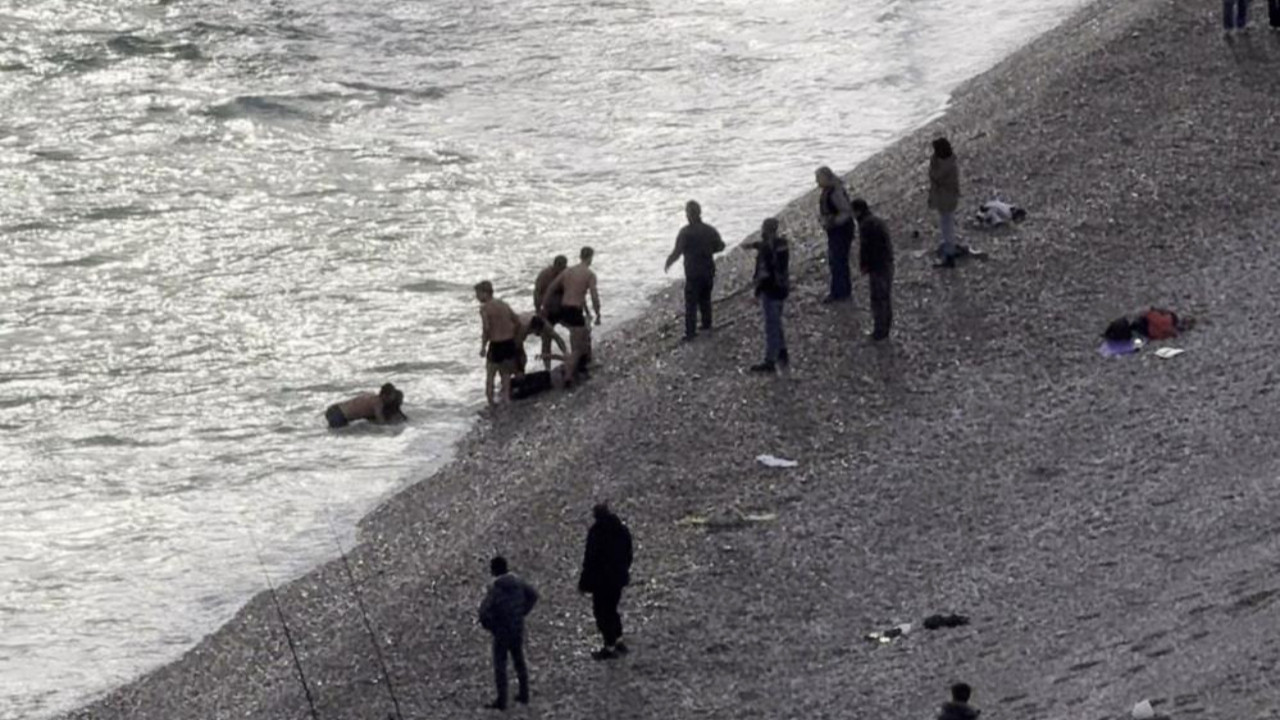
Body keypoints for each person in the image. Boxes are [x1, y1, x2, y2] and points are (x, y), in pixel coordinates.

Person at [477, 556, 539, 711]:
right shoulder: (518, 582)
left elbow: (484, 612)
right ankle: (524, 693)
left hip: (502, 631)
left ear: (494, 570)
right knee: (519, 660)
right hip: (517, 627)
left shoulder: (495, 588)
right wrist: (522, 611)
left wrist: (492, 627)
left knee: (500, 664)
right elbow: (533, 595)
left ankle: (502, 700)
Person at [578, 503, 633, 660]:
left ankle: (609, 646)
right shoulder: (622, 530)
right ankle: (618, 640)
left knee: (601, 612)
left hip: (601, 582)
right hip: (618, 579)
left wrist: (583, 583)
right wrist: (623, 570)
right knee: (612, 609)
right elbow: (629, 554)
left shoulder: (596, 533)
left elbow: (590, 560)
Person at [664, 200, 725, 340]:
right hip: (708, 269)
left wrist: (669, 262)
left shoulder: (685, 232)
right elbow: (721, 246)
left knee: (691, 303)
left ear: (688, 215)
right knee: (705, 298)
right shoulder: (709, 230)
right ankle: (706, 324)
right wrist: (709, 250)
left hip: (693, 272)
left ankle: (690, 332)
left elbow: (677, 251)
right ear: (699, 213)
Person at [544, 247, 601, 374]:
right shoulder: (589, 274)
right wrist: (598, 313)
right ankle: (571, 373)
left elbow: (551, 288)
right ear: (590, 258)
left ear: (580, 256)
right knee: (578, 344)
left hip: (564, 309)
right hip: (575, 310)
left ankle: (583, 363)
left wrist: (544, 306)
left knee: (582, 334)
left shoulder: (568, 271)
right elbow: (594, 295)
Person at [744, 217, 790, 373]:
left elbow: (764, 271)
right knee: (777, 321)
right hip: (782, 287)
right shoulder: (781, 245)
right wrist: (752, 245)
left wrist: (757, 290)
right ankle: (782, 352)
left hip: (770, 289)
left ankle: (770, 360)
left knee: (771, 325)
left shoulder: (766, 249)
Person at [475, 281, 522, 407]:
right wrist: (513, 335)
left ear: (485, 293)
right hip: (509, 343)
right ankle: (506, 399)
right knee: (506, 374)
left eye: (478, 293)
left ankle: (491, 402)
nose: (477, 297)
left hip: (496, 344)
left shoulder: (485, 308)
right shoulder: (503, 304)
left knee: (490, 374)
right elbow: (517, 321)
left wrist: (483, 346)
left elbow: (486, 328)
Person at [853, 199, 894, 341]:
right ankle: (886, 327)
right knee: (886, 297)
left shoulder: (865, 225)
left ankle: (879, 331)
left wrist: (864, 265)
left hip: (877, 266)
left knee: (878, 298)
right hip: (887, 263)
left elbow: (866, 248)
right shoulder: (877, 221)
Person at [816, 166, 855, 303]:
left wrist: (832, 222)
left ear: (826, 178)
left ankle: (839, 292)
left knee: (838, 261)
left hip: (841, 230)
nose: (816, 182)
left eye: (818, 178)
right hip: (837, 230)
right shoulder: (831, 190)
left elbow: (846, 211)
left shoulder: (834, 192)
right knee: (837, 261)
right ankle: (841, 291)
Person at [928, 137, 961, 267]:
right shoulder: (950, 162)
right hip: (948, 197)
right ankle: (949, 248)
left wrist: (933, 163)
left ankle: (949, 253)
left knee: (946, 225)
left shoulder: (946, 165)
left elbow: (936, 176)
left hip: (946, 198)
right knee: (947, 223)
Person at [325, 383, 407, 428]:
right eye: (391, 397)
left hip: (333, 409)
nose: (392, 399)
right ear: (384, 396)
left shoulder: (371, 396)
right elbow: (381, 423)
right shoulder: (378, 404)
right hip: (338, 415)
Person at [510, 354, 587, 401]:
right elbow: (557, 356)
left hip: (549, 382)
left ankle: (513, 393)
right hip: (548, 376)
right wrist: (545, 356)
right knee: (529, 381)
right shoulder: (569, 365)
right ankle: (511, 385)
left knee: (531, 388)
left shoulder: (573, 373)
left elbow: (569, 383)